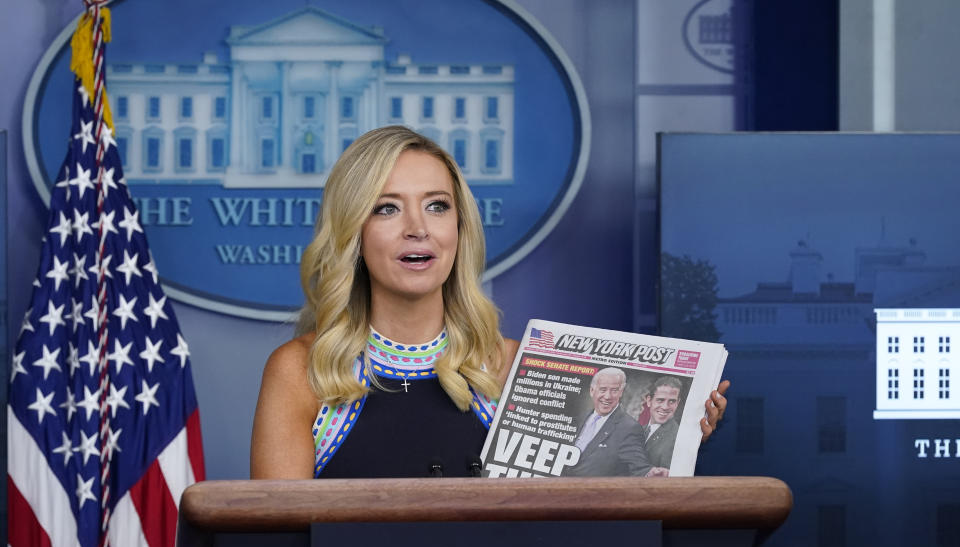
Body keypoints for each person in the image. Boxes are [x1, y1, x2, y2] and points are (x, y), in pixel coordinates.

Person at [250, 125, 729, 479]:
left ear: (459, 228)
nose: (418, 226)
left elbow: (593, 516)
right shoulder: (302, 373)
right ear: (353, 231)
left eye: (437, 205)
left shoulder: (516, 365)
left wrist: (674, 440)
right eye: (386, 207)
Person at [564, 367, 653, 477]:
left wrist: (649, 473)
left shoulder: (630, 428)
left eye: (614, 390)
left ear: (620, 393)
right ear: (592, 391)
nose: (607, 396)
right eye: (603, 389)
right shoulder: (579, 418)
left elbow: (639, 468)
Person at [639, 376, 684, 473]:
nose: (665, 407)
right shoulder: (639, 430)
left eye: (672, 401)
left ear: (678, 403)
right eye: (660, 400)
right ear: (649, 401)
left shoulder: (678, 438)